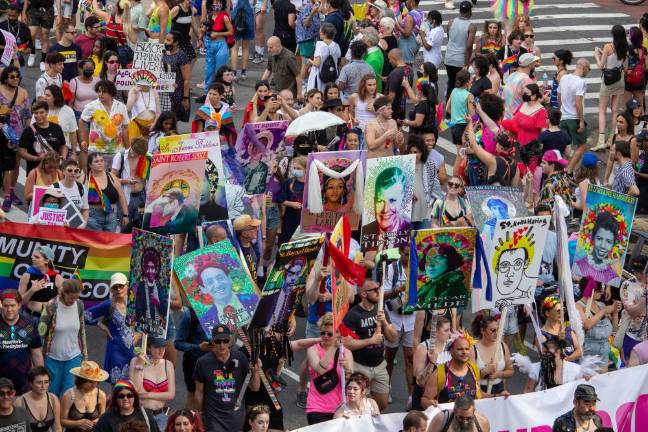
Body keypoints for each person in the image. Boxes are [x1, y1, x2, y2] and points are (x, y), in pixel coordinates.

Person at [342, 280, 397, 411]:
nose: (379, 292)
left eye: (379, 288)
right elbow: (347, 343)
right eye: (375, 290)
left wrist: (384, 322)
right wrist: (370, 341)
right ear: (364, 294)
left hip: (379, 366)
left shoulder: (380, 311)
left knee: (382, 404)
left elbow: (393, 337)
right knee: (356, 405)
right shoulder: (353, 315)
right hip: (360, 367)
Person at [194, 325, 260, 432]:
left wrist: (256, 371)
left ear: (230, 340)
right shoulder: (202, 362)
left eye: (225, 341)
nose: (222, 345)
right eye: (218, 341)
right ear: (212, 342)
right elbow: (199, 391)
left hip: (236, 417)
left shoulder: (241, 358)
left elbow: (255, 388)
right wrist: (200, 414)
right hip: (213, 418)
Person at [85, 273, 139, 384]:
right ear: (111, 290)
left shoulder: (134, 304)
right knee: (117, 388)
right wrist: (102, 326)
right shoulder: (108, 304)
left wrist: (139, 334)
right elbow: (85, 315)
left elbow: (145, 321)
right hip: (116, 352)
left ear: (127, 285)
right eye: (115, 287)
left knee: (132, 387)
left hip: (131, 352)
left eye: (121, 286)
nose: (118, 289)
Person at [38, 279, 87, 397]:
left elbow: (82, 332)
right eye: (71, 298)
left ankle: (65, 415)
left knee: (68, 394)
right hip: (52, 357)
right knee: (52, 392)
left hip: (74, 356)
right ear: (63, 293)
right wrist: (38, 357)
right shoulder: (51, 306)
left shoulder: (79, 305)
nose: (73, 301)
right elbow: (41, 332)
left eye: (76, 298)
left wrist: (85, 356)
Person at [305, 313, 354, 425]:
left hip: (341, 407)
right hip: (317, 407)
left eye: (330, 334)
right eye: (323, 333)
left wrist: (347, 369)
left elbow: (349, 379)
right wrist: (333, 347)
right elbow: (320, 370)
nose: (325, 336)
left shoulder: (347, 353)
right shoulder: (313, 350)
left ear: (337, 334)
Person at [0, 290, 45, 395]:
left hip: (24, 382)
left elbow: (36, 354)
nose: (9, 309)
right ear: (1, 305)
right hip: (1, 383)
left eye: (12, 305)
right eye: (6, 306)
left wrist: (41, 378)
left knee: (22, 410)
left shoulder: (29, 324)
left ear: (19, 305)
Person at [593, 25, 629, 150]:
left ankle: (601, 140)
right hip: (619, 80)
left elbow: (601, 66)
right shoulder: (625, 47)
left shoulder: (608, 46)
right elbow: (624, 67)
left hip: (607, 81)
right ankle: (611, 140)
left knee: (602, 110)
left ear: (613, 35)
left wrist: (596, 55)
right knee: (615, 110)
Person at [0, 65, 30, 212]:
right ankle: (6, 196)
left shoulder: (23, 92)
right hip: (2, 133)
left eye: (17, 76)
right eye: (12, 76)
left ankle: (11, 191)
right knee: (7, 166)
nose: (16, 78)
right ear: (5, 78)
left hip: (18, 134)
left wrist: (28, 132)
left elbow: (28, 115)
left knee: (16, 165)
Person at [421, 334, 481, 408]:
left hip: (469, 416)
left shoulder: (474, 369)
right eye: (460, 349)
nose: (464, 352)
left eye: (467, 349)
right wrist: (430, 404)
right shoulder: (440, 373)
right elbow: (425, 399)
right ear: (451, 351)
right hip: (449, 417)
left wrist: (496, 396)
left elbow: (479, 394)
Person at [129, 337, 175, 431]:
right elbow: (136, 391)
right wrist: (140, 366)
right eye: (157, 347)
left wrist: (148, 394)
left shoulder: (168, 364)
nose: (161, 350)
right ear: (149, 348)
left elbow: (171, 395)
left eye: (163, 347)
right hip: (142, 414)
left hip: (160, 415)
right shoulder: (135, 361)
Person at [79, 80, 130, 164]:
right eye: (99, 91)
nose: (100, 94)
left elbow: (125, 128)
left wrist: (128, 148)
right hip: (96, 150)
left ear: (111, 92)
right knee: (97, 176)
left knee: (114, 176)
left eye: (104, 92)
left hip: (117, 151)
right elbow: (82, 121)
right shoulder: (92, 106)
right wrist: (83, 140)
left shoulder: (121, 107)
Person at [360, 165, 409, 249]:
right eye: (380, 201)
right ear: (374, 201)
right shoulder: (365, 231)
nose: (385, 209)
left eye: (392, 201)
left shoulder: (410, 231)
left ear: (403, 200)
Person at [576, 283, 620, 371]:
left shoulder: (601, 305)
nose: (602, 291)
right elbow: (587, 325)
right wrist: (604, 311)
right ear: (592, 290)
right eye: (600, 289)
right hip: (588, 355)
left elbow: (614, 329)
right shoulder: (578, 306)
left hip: (604, 354)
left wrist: (615, 313)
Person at [174, 307, 210, 411]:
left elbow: (231, 341)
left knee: (214, 397)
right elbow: (178, 343)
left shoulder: (226, 313)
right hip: (194, 362)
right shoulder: (190, 315)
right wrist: (198, 347)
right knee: (193, 395)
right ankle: (188, 424)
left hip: (217, 362)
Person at [465, 120, 520, 187]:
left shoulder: (493, 160)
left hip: (489, 196)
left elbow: (473, 144)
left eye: (497, 143)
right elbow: (514, 190)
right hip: (503, 197)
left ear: (501, 147)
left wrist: (470, 123)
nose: (496, 144)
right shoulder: (515, 165)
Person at [558, 59, 590, 172]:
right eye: (589, 69)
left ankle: (560, 170)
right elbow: (578, 103)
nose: (588, 71)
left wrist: (563, 109)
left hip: (563, 117)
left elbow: (558, 97)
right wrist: (581, 121)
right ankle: (569, 170)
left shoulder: (564, 78)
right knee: (582, 146)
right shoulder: (581, 82)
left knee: (564, 146)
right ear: (584, 67)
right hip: (574, 118)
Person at [84, 152, 129, 232]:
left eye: (102, 160)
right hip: (92, 217)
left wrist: (125, 215)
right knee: (96, 242)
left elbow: (121, 196)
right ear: (90, 165)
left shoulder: (111, 176)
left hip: (111, 216)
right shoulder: (85, 179)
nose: (100, 163)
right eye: (96, 161)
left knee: (109, 242)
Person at [19, 102, 66, 175]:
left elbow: (63, 145)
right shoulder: (28, 131)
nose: (38, 115)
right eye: (36, 113)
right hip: (35, 172)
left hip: (54, 171)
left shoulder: (57, 128)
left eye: (41, 112)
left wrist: (63, 157)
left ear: (47, 112)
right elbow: (21, 152)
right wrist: (36, 158)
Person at [470, 315, 513, 396]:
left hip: (499, 390)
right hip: (480, 391)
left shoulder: (503, 346)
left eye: (498, 330)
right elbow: (469, 377)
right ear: (483, 331)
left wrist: (499, 374)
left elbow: (510, 371)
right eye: (492, 330)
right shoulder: (473, 349)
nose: (496, 333)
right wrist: (485, 371)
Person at [18, 245, 64, 319]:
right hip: (29, 317)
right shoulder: (27, 275)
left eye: (37, 257)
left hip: (49, 318)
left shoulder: (57, 277)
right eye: (33, 256)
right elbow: (20, 301)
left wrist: (57, 299)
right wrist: (32, 290)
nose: (33, 258)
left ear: (47, 260)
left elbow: (63, 301)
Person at [60, 361, 108, 432]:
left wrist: (97, 421)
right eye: (91, 382)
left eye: (96, 381)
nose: (94, 385)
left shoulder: (101, 395)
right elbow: (62, 421)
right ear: (81, 380)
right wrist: (78, 423)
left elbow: (103, 417)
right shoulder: (69, 395)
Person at [95, 381, 160, 432]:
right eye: (121, 396)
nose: (125, 399)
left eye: (129, 395)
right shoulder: (106, 419)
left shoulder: (145, 415)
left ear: (135, 397)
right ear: (115, 398)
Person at [444, 1, 476, 102]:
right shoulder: (471, 26)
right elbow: (469, 46)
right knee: (460, 86)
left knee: (451, 83)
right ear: (469, 11)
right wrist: (466, 63)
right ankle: (456, 108)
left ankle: (448, 111)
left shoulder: (450, 22)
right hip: (460, 60)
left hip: (449, 58)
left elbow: (450, 38)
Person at [13, 367, 62, 432]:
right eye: (39, 382)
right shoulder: (20, 402)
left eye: (46, 382)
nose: (43, 386)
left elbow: (57, 427)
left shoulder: (53, 399)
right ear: (31, 383)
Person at [539, 296, 582, 362]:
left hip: (574, 369)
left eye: (563, 310)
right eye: (558, 311)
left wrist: (566, 361)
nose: (562, 313)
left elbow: (579, 351)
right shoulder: (541, 335)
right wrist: (559, 341)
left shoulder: (567, 328)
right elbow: (550, 359)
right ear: (547, 313)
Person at [162, 32, 192, 122]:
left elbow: (186, 79)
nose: (165, 42)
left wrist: (185, 98)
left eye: (168, 40)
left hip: (177, 94)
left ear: (176, 43)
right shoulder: (163, 53)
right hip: (164, 93)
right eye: (165, 39)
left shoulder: (181, 56)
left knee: (172, 121)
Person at [262, 37, 301, 101]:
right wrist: (261, 83)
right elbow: (268, 70)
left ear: (278, 46)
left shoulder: (289, 57)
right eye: (268, 47)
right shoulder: (272, 54)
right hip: (277, 90)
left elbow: (298, 75)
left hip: (288, 93)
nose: (268, 50)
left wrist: (299, 93)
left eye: (271, 47)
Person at [502, 52, 537, 119]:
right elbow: (532, 102)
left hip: (506, 117)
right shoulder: (526, 80)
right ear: (529, 65)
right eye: (534, 62)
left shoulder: (512, 75)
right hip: (518, 119)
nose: (535, 63)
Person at [296, 0, 321, 84]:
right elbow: (305, 23)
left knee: (308, 63)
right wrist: (313, 12)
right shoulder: (308, 7)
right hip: (307, 40)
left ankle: (305, 84)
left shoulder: (315, 7)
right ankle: (302, 85)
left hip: (311, 40)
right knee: (306, 64)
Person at [384, 48, 413, 122]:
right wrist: (389, 79)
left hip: (394, 109)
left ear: (394, 58)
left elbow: (391, 96)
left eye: (390, 59)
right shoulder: (409, 69)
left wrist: (386, 109)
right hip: (402, 106)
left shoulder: (395, 73)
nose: (389, 61)